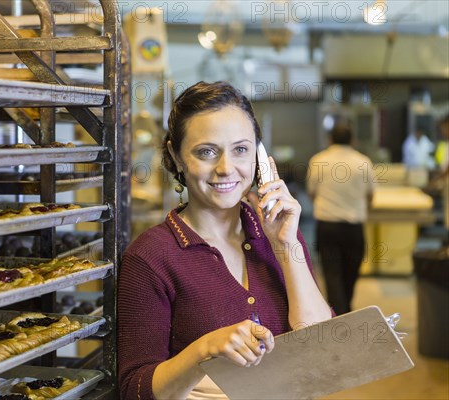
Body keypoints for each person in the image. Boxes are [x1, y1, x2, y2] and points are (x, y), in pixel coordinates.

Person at [118, 81, 332, 400]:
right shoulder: (149, 257)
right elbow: (134, 389)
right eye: (207, 152)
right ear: (176, 156)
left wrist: (286, 245)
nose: (226, 168)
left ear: (259, 159)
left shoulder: (280, 232)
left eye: (241, 150)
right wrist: (204, 349)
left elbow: (319, 347)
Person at [306, 124, 375, 316]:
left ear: (330, 140)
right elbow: (370, 195)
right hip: (354, 228)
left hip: (327, 226)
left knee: (332, 274)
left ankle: (340, 314)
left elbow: (312, 193)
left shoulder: (318, 160)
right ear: (353, 140)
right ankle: (345, 312)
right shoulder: (363, 162)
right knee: (351, 273)